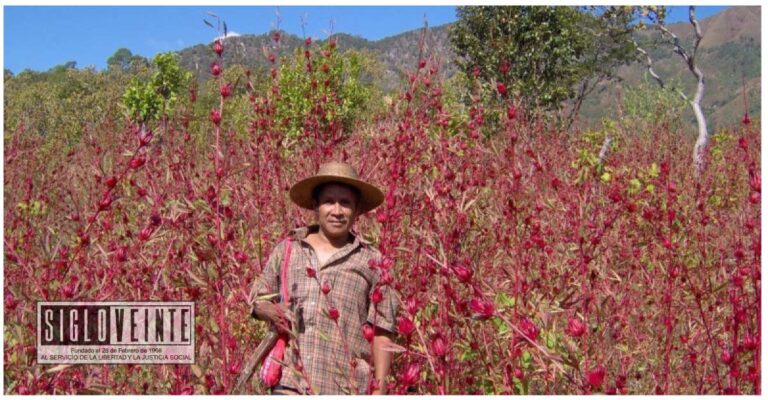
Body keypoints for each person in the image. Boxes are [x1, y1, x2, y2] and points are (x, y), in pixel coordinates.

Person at [248, 161, 398, 395]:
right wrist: (267, 310)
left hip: (346, 387)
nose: (337, 211)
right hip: (290, 383)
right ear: (316, 206)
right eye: (329, 201)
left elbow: (382, 333)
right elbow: (257, 297)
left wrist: (380, 391)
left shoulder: (372, 262)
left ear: (357, 210)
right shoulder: (289, 249)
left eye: (345, 203)